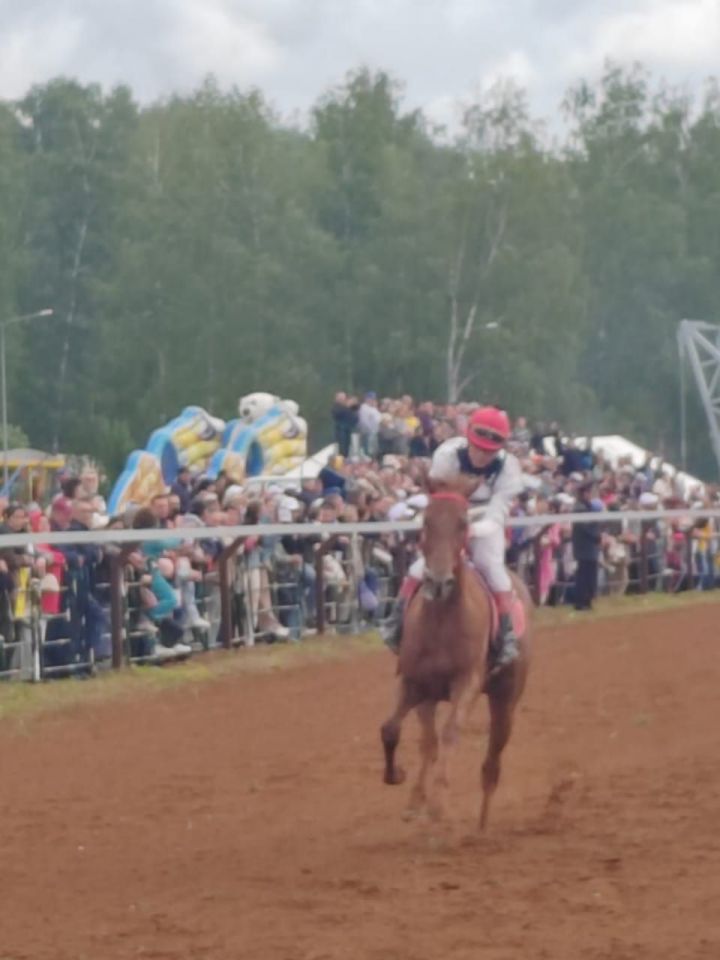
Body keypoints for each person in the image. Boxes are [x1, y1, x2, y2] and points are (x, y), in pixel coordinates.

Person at [382, 406, 524, 670]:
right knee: (419, 568)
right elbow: (437, 496)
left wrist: (472, 530)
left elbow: (497, 512)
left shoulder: (509, 469)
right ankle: (395, 622)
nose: (481, 455)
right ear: (468, 438)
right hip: (450, 516)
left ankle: (506, 638)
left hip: (485, 521)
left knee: (493, 569)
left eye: (489, 451)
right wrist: (447, 528)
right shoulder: (447, 453)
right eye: (478, 447)